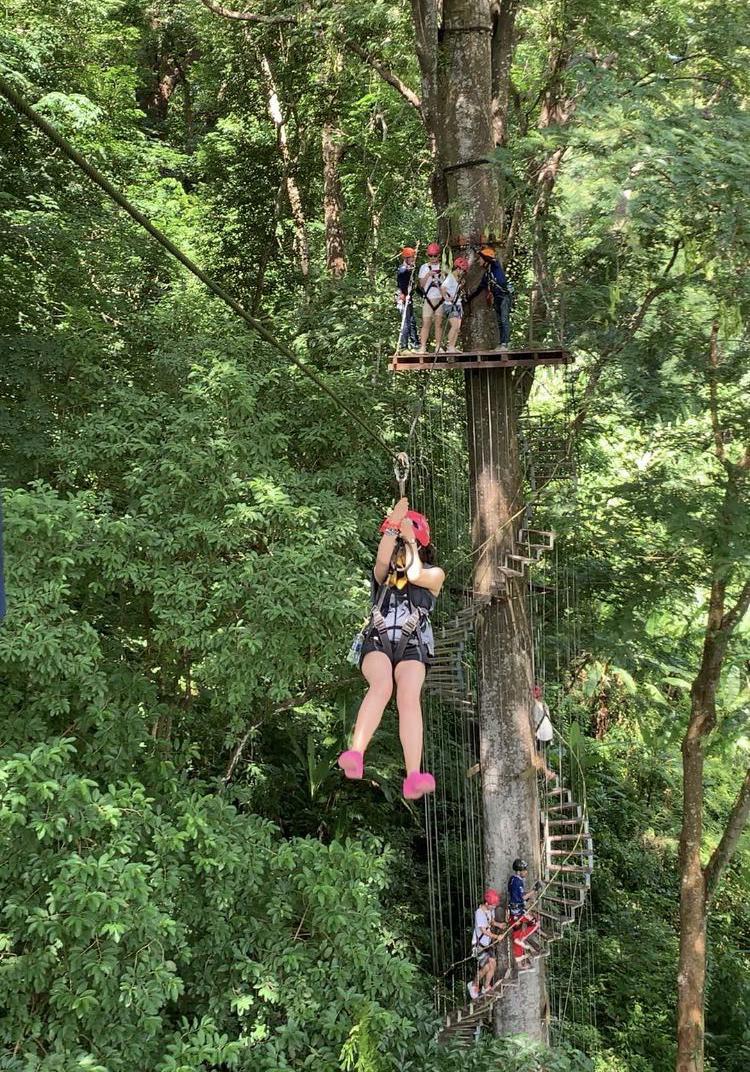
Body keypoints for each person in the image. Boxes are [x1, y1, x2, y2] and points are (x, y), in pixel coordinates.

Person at [338, 497, 445, 800]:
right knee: (382, 686)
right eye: (398, 549)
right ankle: (356, 753)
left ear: (420, 549)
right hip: (378, 641)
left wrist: (408, 538)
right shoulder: (384, 576)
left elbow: (413, 574)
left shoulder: (433, 575)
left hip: (412, 646)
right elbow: (382, 560)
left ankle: (413, 775)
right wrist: (393, 528)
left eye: (404, 550)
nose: (398, 555)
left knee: (409, 697)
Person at [467, 245, 513, 351]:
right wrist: (468, 298)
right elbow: (479, 288)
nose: (478, 261)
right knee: (499, 320)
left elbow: (490, 258)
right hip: (497, 298)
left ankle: (505, 343)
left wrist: (477, 250)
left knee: (504, 319)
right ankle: (502, 343)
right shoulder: (487, 275)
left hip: (504, 296)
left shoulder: (495, 266)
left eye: (480, 259)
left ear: (485, 259)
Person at [507, 858, 542, 966]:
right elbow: (522, 897)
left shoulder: (512, 879)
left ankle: (518, 957)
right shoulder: (518, 882)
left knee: (517, 930)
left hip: (513, 911)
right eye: (525, 870)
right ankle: (520, 939)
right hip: (518, 911)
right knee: (536, 923)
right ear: (520, 871)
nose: (526, 872)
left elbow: (514, 895)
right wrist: (535, 890)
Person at [469, 889, 501, 1000]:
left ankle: (486, 987)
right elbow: (483, 930)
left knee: (493, 965)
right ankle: (473, 984)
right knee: (487, 967)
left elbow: (491, 922)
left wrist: (499, 925)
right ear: (486, 903)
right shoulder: (479, 912)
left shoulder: (490, 910)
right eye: (492, 905)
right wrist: (496, 937)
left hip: (488, 943)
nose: (494, 907)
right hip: (478, 945)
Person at [417, 242, 445, 353]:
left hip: (440, 298)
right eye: (430, 256)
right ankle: (422, 347)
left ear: (438, 255)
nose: (433, 258)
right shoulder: (424, 267)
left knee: (439, 323)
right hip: (428, 298)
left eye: (435, 255)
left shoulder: (443, 267)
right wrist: (428, 275)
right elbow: (421, 284)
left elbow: (448, 284)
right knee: (426, 323)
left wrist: (441, 275)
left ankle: (438, 346)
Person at [441, 256, 470, 353]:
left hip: (458, 303)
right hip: (450, 305)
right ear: (458, 268)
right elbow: (443, 288)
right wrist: (447, 298)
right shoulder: (450, 277)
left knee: (458, 327)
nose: (463, 273)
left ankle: (453, 346)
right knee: (454, 325)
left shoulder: (458, 279)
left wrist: (461, 286)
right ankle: (449, 346)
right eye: (462, 270)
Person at [395, 246, 419, 351]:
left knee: (412, 321)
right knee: (406, 322)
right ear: (406, 258)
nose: (413, 259)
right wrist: (404, 295)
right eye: (411, 257)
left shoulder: (409, 269)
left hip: (408, 297)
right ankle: (404, 346)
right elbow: (402, 284)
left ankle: (415, 344)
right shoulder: (403, 270)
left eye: (413, 257)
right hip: (403, 298)